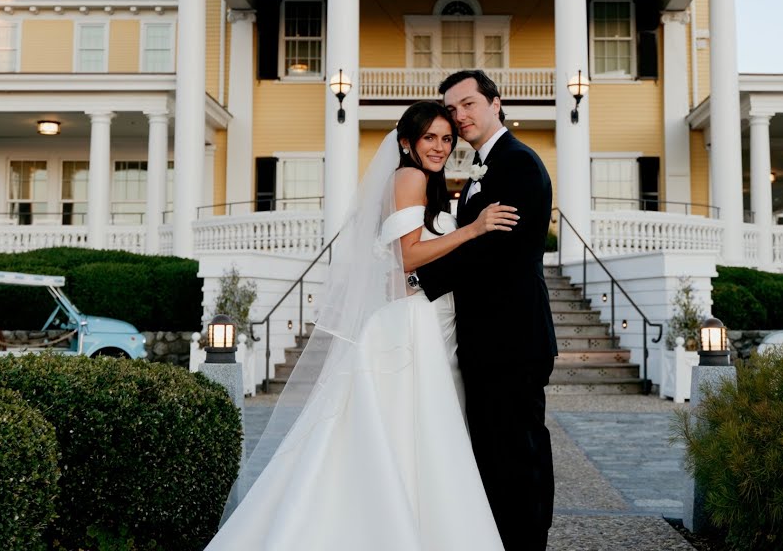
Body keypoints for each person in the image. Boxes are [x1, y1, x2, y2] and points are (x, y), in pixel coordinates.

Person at [205, 100, 517, 551]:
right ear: (407, 142)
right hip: (409, 327)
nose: (440, 147)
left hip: (426, 318)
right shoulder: (409, 177)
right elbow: (407, 255)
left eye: (447, 139)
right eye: (429, 137)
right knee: (411, 427)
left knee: (409, 429)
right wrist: (473, 230)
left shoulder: (423, 183)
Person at [414, 69, 557, 551]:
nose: (460, 116)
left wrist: (420, 280)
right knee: (495, 452)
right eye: (452, 109)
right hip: (485, 339)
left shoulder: (516, 163)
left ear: (496, 104)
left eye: (469, 104)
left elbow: (497, 249)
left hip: (512, 337)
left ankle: (526, 542)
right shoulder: (482, 167)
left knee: (519, 452)